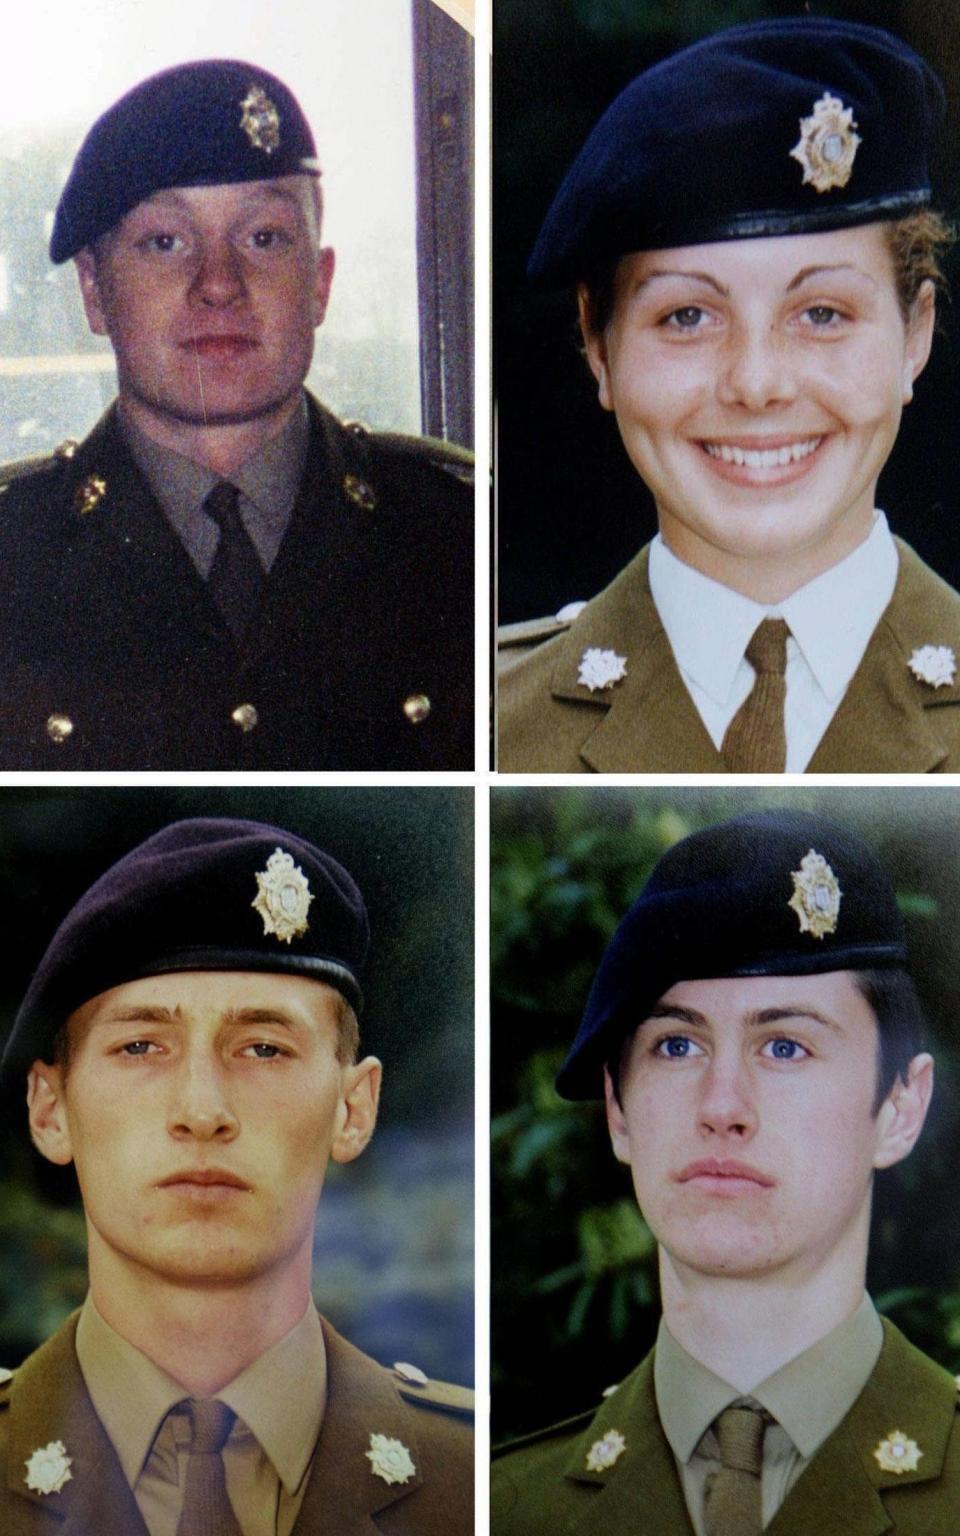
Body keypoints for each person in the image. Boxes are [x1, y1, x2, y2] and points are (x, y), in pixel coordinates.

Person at [497, 18, 960, 773]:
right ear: (598, 344)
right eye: (687, 317)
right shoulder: (482, 723)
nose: (756, 384)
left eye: (821, 314)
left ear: (916, 334)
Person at [0, 817, 473, 1533]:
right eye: (140, 1046)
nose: (202, 1111)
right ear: (50, 1109)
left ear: (354, 1106)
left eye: (262, 1049)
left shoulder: (475, 1483)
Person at [492, 808, 959, 1533]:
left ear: (900, 1105)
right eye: (677, 1046)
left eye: (785, 1047)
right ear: (618, 1110)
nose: (722, 1107)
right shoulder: (505, 1508)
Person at [0, 61, 473, 769]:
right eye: (165, 242)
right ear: (94, 293)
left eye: (264, 238)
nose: (219, 284)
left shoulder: (460, 530)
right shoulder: (14, 550)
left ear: (320, 280)